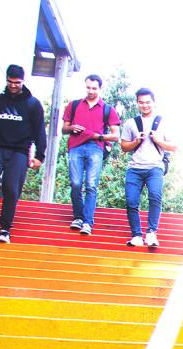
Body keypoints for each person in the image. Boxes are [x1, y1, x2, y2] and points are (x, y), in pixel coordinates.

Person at [0, 65, 46, 244]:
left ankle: (5, 228)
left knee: (11, 189)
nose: (13, 86)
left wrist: (39, 156)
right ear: (6, 80)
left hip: (19, 152)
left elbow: (40, 132)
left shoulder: (33, 105)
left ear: (23, 82)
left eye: (17, 83)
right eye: (10, 82)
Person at [61, 74, 120, 236]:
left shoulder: (108, 109)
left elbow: (115, 135)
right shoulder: (74, 105)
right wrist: (72, 127)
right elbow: (63, 129)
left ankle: (88, 221)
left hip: (95, 147)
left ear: (100, 89)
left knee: (91, 184)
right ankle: (78, 217)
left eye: (94, 88)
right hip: (75, 146)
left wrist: (97, 136)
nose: (91, 91)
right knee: (75, 183)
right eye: (88, 87)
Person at [119, 88, 176, 247]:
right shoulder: (131, 123)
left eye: (147, 102)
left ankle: (151, 233)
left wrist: (158, 140)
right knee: (131, 201)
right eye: (141, 102)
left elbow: (173, 146)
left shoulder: (163, 122)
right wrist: (136, 141)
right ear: (137, 103)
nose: (144, 105)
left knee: (155, 196)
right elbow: (124, 146)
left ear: (154, 102)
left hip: (154, 167)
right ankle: (136, 235)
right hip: (135, 168)